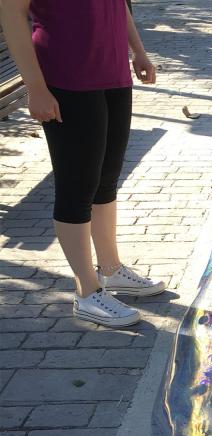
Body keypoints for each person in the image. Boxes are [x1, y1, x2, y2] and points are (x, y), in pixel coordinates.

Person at [0, 0, 165, 328]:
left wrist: (139, 51)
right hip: (65, 77)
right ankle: (87, 292)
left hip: (113, 72)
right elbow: (11, 13)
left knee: (106, 179)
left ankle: (111, 270)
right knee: (77, 184)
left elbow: (119, 6)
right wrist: (35, 86)